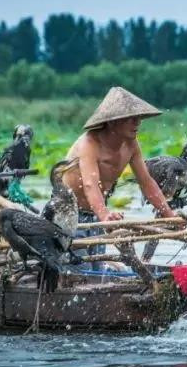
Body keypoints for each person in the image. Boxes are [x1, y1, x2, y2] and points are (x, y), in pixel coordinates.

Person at [61, 87, 177, 266]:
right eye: (131, 118)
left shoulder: (131, 144)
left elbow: (146, 182)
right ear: (113, 122)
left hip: (95, 215)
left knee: (98, 269)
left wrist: (169, 214)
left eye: (138, 117)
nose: (137, 122)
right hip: (69, 214)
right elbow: (90, 184)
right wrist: (105, 215)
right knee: (79, 270)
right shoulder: (90, 143)